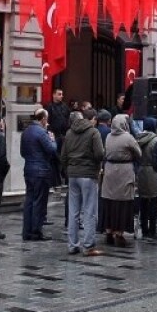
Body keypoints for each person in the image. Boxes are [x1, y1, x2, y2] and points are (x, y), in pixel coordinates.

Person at [61, 109, 105, 256]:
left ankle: (72, 245)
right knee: (89, 210)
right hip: (88, 173)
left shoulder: (69, 133)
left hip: (73, 174)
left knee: (73, 211)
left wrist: (68, 170)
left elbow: (63, 156)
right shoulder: (93, 133)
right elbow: (99, 154)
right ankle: (88, 245)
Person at [100, 114, 141, 247]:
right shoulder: (128, 137)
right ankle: (119, 233)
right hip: (124, 170)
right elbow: (138, 153)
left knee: (109, 201)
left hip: (110, 170)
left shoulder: (108, 137)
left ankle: (108, 230)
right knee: (123, 203)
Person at [20, 108, 58, 241]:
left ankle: (27, 231)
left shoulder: (26, 132)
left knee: (29, 200)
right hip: (41, 171)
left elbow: (22, 153)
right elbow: (52, 149)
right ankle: (36, 231)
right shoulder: (42, 133)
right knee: (39, 202)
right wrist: (52, 139)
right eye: (46, 119)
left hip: (28, 169)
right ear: (43, 119)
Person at [135, 117, 157, 239]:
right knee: (154, 202)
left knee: (143, 201)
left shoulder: (138, 138)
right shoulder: (156, 140)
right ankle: (152, 230)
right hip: (153, 171)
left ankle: (144, 229)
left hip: (141, 171)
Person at [46, 89, 70, 160]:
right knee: (54, 155)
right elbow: (47, 121)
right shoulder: (49, 107)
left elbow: (68, 118)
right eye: (59, 94)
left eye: (62, 94)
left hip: (64, 135)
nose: (62, 96)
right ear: (54, 95)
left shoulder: (65, 106)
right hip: (54, 136)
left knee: (64, 155)